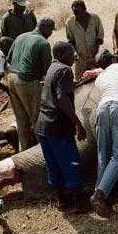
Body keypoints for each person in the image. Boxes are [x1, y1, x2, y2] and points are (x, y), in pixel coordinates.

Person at [35, 41, 88, 213]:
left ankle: (62, 201)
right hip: (58, 126)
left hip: (43, 126)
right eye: (71, 53)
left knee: (53, 165)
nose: (74, 57)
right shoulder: (65, 70)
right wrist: (78, 124)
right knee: (70, 163)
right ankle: (80, 204)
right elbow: (62, 98)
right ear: (61, 54)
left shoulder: (51, 68)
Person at [90, 54, 118, 217]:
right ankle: (99, 194)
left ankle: (102, 196)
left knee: (103, 155)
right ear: (114, 60)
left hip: (102, 108)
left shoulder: (99, 78)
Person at [7, 18, 55, 151]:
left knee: (21, 119)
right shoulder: (43, 43)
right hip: (26, 81)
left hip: (11, 78)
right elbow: (48, 71)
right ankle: (42, 151)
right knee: (37, 118)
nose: (51, 33)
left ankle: (25, 151)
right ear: (44, 27)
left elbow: (9, 59)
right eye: (51, 30)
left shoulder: (20, 37)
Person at [66, 0, 104, 78]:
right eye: (74, 12)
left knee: (99, 78)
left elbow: (100, 36)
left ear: (85, 9)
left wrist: (96, 49)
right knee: (79, 82)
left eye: (78, 12)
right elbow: (70, 41)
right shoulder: (70, 23)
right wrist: (75, 54)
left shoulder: (95, 18)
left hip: (95, 56)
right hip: (81, 59)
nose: (76, 15)